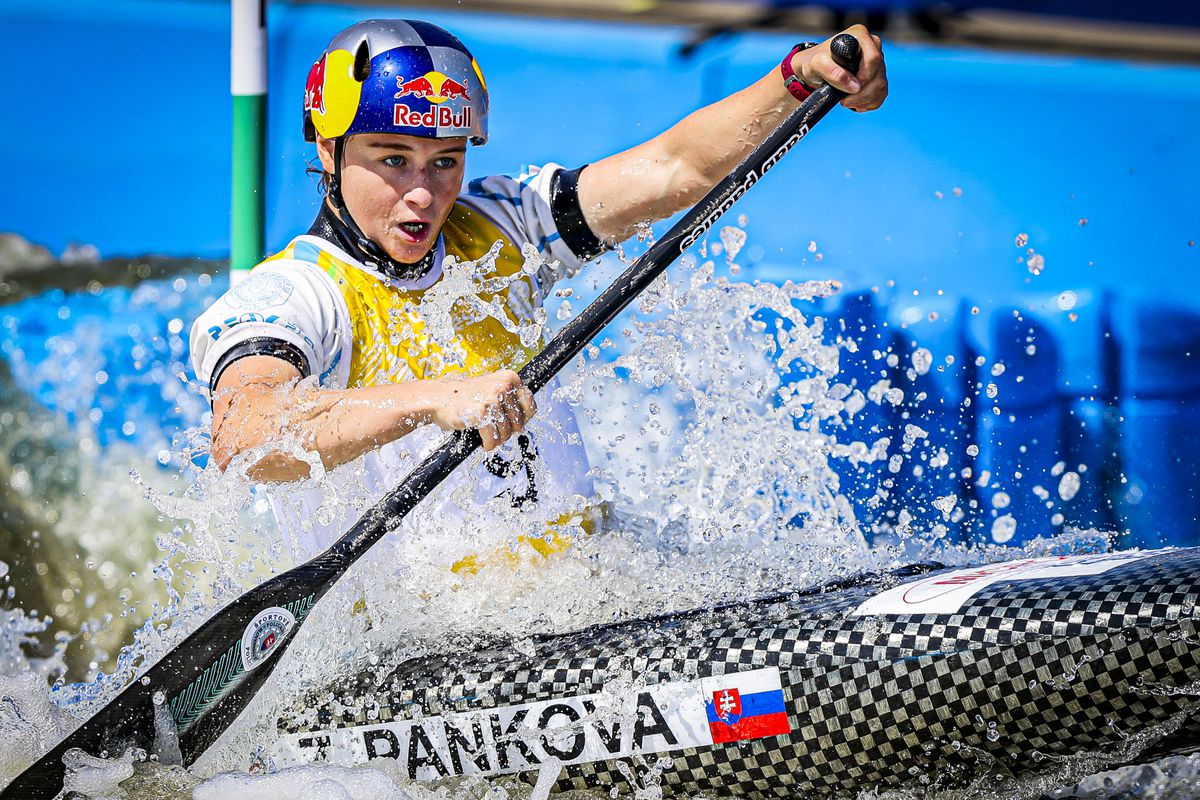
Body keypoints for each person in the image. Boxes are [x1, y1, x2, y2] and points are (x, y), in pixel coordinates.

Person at [189, 19, 887, 567]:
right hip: (407, 652)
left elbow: (673, 169)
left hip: (575, 591)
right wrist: (434, 399)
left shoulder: (504, 226)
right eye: (392, 159)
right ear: (328, 149)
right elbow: (246, 434)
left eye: (446, 161)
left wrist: (797, 78)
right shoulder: (294, 294)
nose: (423, 194)